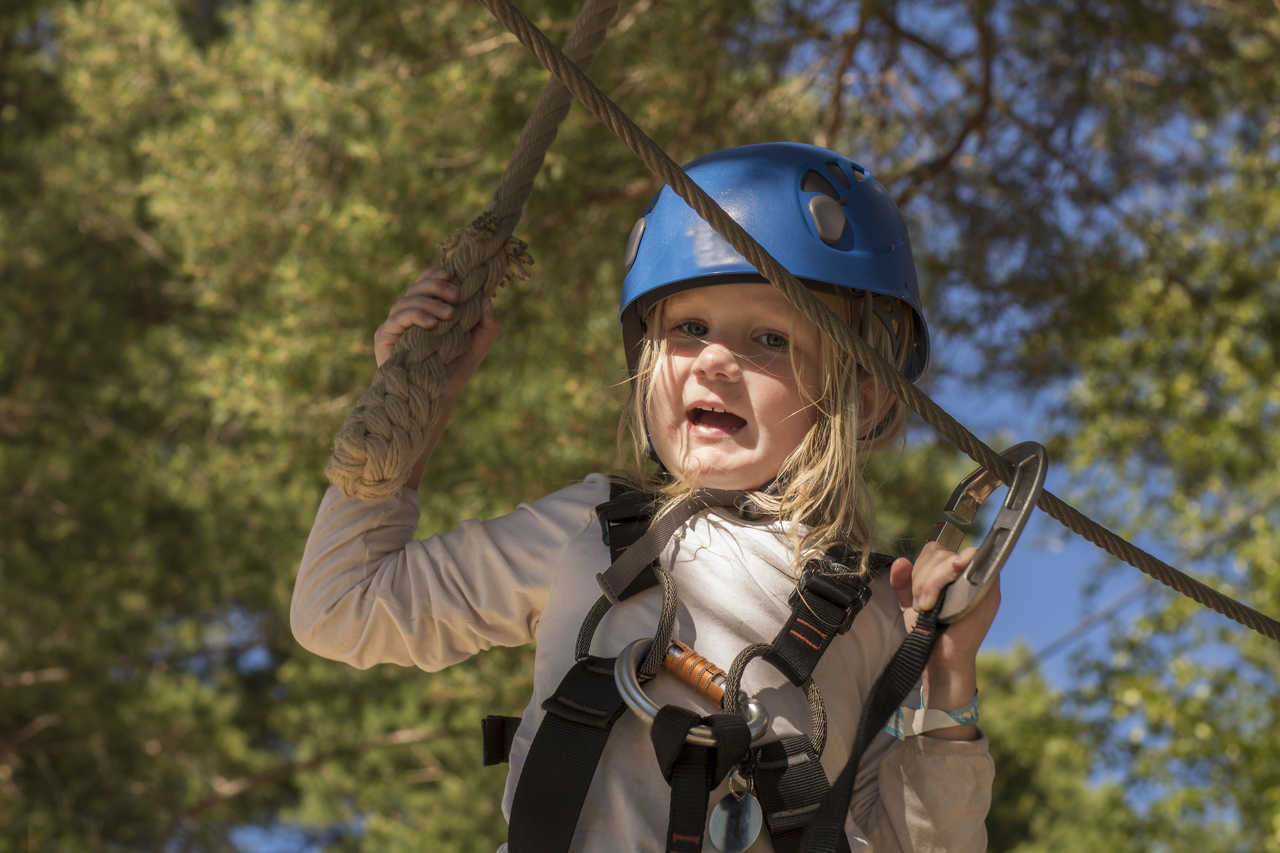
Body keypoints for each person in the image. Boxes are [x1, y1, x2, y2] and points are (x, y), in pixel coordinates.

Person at [292, 142, 995, 852]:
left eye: (770, 338)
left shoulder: (878, 611)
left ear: (862, 392)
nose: (717, 360)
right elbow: (340, 607)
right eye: (690, 329)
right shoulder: (596, 530)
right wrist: (417, 407)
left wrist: (947, 682)